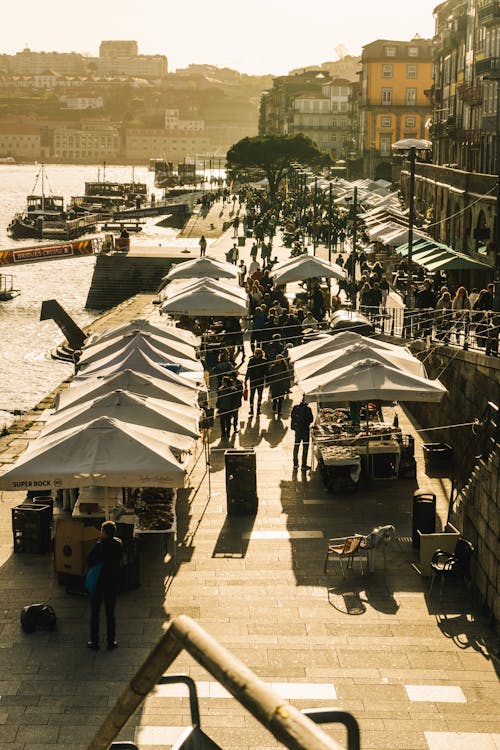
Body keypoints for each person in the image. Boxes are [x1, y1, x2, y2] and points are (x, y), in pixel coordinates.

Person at [86, 520, 123, 651]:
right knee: (110, 614)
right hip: (112, 582)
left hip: (98, 583)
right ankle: (111, 641)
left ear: (104, 532)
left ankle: (94, 642)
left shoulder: (99, 545)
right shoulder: (118, 544)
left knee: (95, 614)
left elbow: (89, 560)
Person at [290, 396, 314, 470]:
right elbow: (311, 419)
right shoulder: (308, 409)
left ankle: (295, 464)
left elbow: (292, 417)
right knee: (305, 447)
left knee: (296, 446)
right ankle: (303, 465)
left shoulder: (295, 407)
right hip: (305, 430)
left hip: (298, 430)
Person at [245, 347, 268, 416]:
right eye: (256, 353)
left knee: (260, 395)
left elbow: (266, 371)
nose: (257, 354)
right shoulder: (251, 360)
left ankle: (258, 409)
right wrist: (246, 379)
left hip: (260, 380)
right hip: (253, 380)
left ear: (261, 354)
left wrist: (267, 380)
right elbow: (248, 370)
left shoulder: (264, 361)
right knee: (251, 395)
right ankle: (251, 409)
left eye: (258, 353)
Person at [268, 354, 291, 419]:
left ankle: (279, 411)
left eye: (280, 359)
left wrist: (287, 386)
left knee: (281, 398)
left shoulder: (284, 367)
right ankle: (274, 405)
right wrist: (268, 382)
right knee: (275, 397)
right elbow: (270, 375)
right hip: (274, 384)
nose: (279, 360)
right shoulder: (273, 366)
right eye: (278, 359)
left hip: (282, 384)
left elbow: (287, 376)